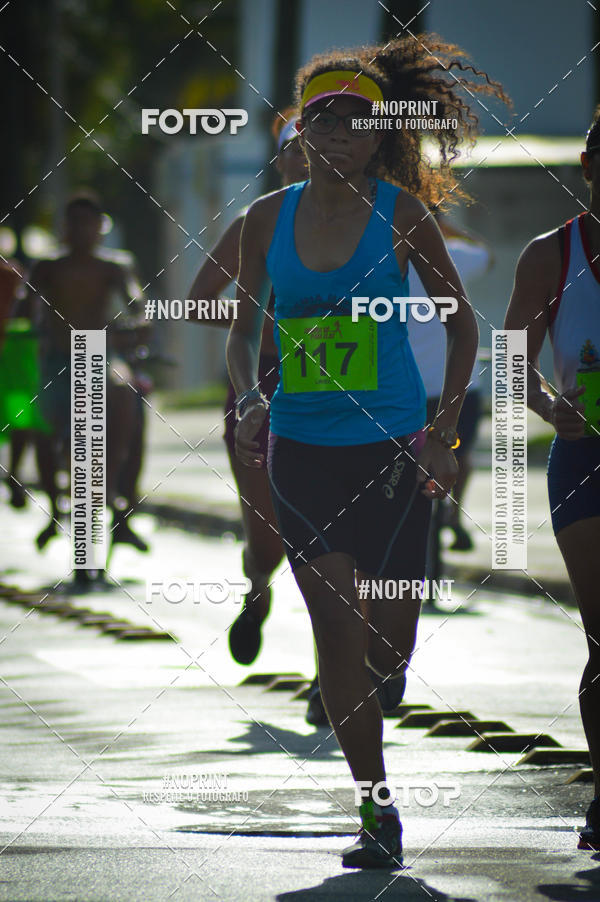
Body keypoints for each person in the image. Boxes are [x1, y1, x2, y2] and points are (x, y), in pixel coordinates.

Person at [228, 38, 506, 867]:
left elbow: (461, 323)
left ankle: (378, 684)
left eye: (356, 124)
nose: (339, 135)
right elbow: (242, 329)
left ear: (381, 139)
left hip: (392, 445)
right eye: (323, 120)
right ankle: (375, 811)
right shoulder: (263, 220)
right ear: (302, 132)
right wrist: (248, 395)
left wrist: (446, 429)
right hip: (302, 450)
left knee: (388, 646)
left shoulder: (401, 214)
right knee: (337, 636)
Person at [505, 108, 600, 852]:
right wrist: (548, 406)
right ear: (587, 168)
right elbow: (510, 361)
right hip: (585, 459)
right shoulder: (550, 254)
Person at [188, 109, 307, 665]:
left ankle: (334, 668)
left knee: (333, 532)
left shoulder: (368, 225)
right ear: (280, 160)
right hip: (258, 385)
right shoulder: (254, 222)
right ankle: (258, 588)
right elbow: (195, 302)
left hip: (338, 391)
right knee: (269, 539)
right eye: (296, 148)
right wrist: (258, 318)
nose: (308, 156)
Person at [27, 191, 149, 562]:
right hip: (58, 361)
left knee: (128, 395)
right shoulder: (47, 266)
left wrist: (140, 321)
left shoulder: (116, 265)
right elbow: (26, 302)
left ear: (101, 227)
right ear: (64, 229)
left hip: (100, 354)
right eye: (74, 222)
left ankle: (119, 499)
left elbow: (135, 300)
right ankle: (53, 507)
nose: (82, 230)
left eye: (89, 222)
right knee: (40, 424)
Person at [407, 216, 492, 552]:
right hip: (456, 386)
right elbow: (488, 254)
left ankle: (435, 518)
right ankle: (454, 515)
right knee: (461, 452)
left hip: (409, 385)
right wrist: (449, 227)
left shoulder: (388, 256)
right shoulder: (454, 254)